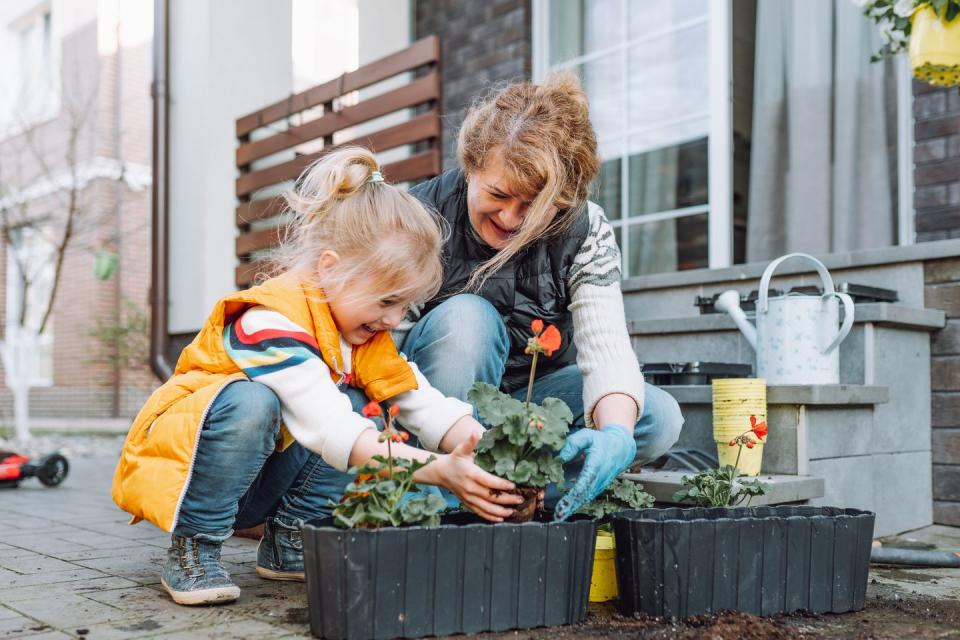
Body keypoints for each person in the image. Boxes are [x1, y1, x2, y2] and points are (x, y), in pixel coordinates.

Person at [111, 147, 519, 606]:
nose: (395, 319)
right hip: (188, 473)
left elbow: (419, 401)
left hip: (255, 482)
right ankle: (195, 547)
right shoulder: (269, 321)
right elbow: (334, 430)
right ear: (330, 268)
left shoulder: (357, 332)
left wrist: (490, 453)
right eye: (387, 301)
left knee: (356, 395)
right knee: (256, 403)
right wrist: (439, 471)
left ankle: (290, 542)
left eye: (405, 305)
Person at [400, 73, 685, 520]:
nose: (511, 217)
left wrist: (614, 432)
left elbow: (607, 348)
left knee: (654, 418)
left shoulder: (585, 229)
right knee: (467, 320)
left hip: (531, 395)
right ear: (471, 165)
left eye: (532, 204)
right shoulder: (419, 218)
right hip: (432, 406)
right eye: (498, 194)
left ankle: (514, 497)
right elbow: (378, 349)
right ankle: (435, 506)